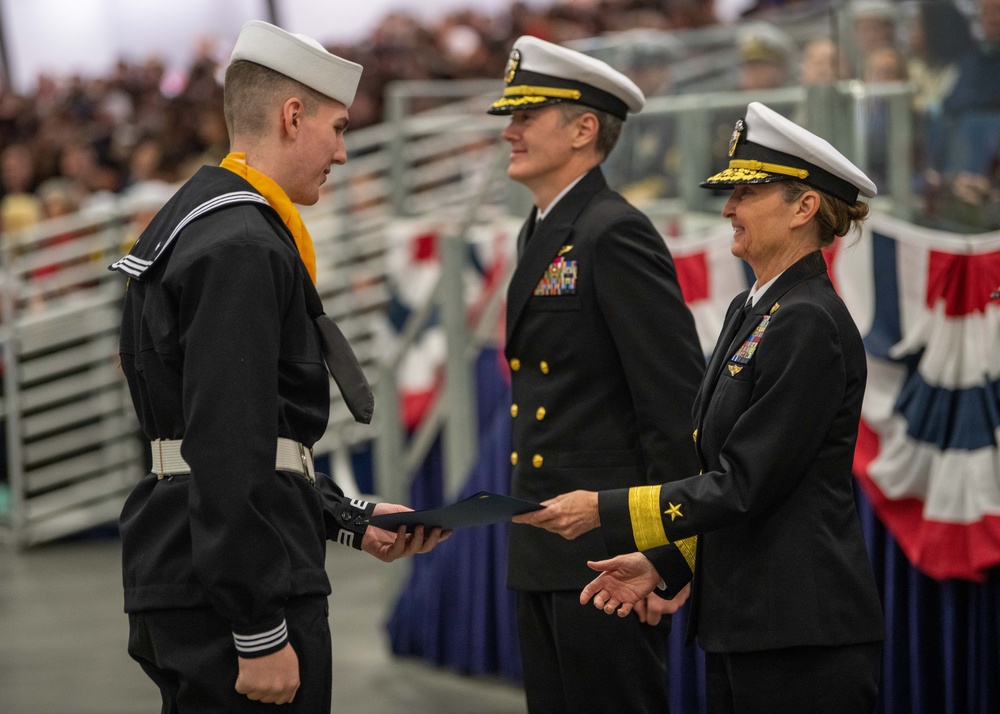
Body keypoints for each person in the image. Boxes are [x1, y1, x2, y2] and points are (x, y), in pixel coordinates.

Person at [110, 20, 447, 711]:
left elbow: (233, 438)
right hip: (237, 587)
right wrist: (257, 627)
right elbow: (226, 442)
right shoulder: (242, 245)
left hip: (195, 559)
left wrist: (346, 515)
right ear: (294, 117)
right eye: (340, 128)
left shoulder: (201, 223)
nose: (343, 153)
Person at [514, 101, 886, 713]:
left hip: (802, 632)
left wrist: (603, 507)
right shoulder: (754, 310)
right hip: (750, 623)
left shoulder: (808, 320)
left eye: (747, 192)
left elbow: (744, 484)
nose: (728, 209)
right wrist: (664, 562)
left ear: (804, 206)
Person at [487, 35, 705, 713]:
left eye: (528, 115)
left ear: (584, 129)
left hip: (609, 556)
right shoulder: (544, 228)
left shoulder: (614, 231)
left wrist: (666, 555)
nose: (511, 131)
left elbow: (673, 405)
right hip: (546, 543)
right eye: (511, 116)